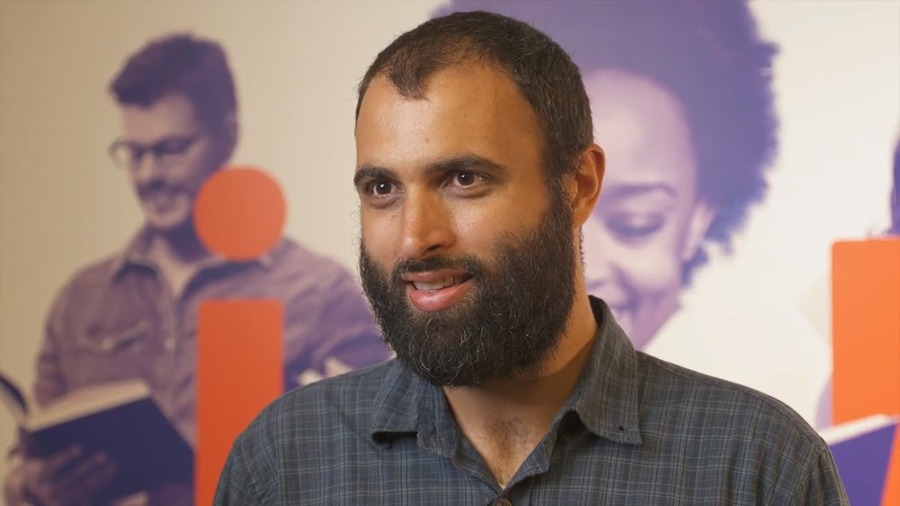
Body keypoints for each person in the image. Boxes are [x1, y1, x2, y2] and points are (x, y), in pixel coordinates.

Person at [215, 11, 847, 504]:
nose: (414, 238)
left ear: (578, 184)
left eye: (463, 179)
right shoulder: (283, 463)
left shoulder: (759, 465)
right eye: (382, 189)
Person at [2, 33, 389, 506]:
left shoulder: (315, 289)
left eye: (169, 150)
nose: (147, 176)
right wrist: (33, 488)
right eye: (134, 152)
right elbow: (22, 470)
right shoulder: (81, 299)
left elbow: (385, 450)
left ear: (226, 137)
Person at [439, 0, 777, 350]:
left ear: (698, 220)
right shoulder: (391, 395)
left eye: (635, 223)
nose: (587, 270)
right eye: (545, 219)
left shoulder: (738, 404)